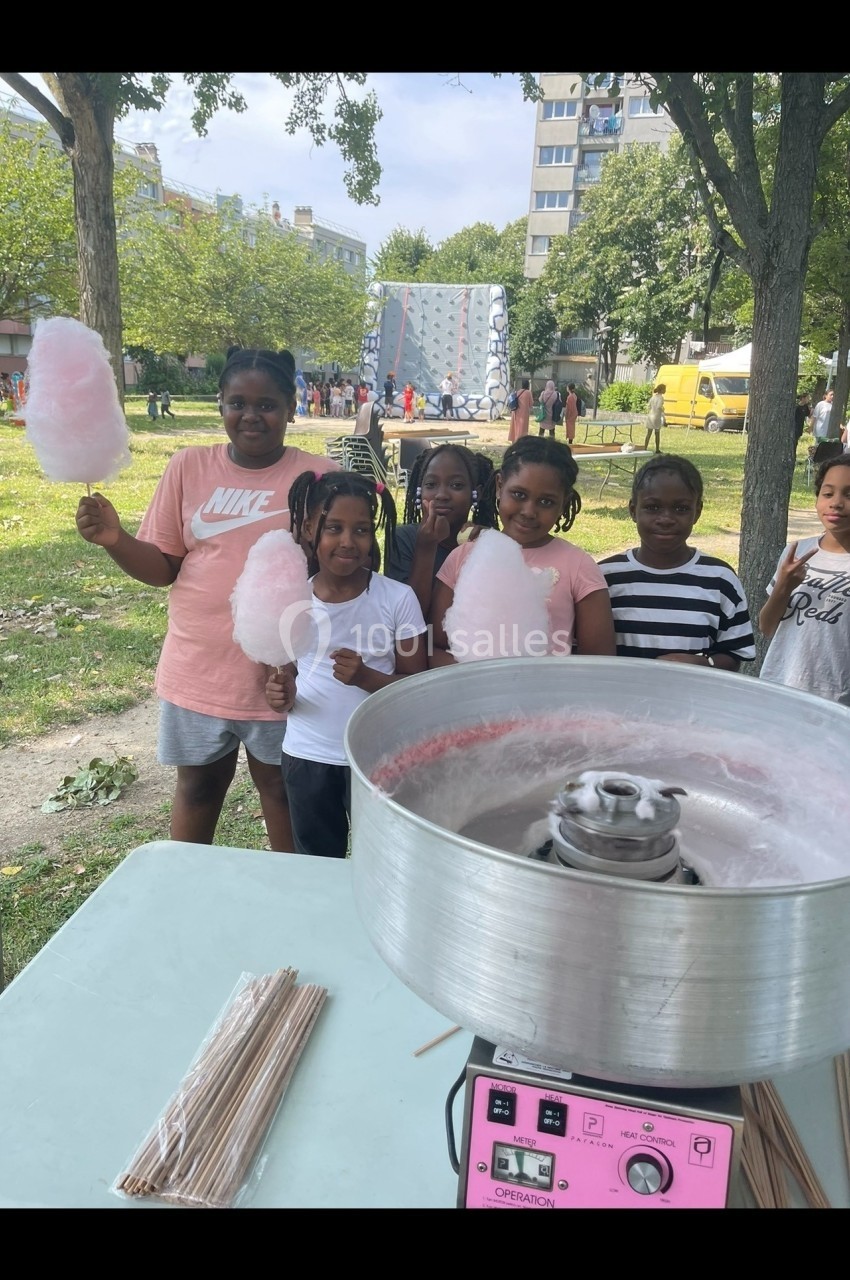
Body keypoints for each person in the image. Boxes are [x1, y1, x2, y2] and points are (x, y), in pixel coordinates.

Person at [74, 347, 340, 853]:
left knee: (281, 789)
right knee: (197, 787)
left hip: (285, 675)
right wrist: (116, 539)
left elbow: (341, 568)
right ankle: (185, 888)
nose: (251, 415)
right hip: (199, 669)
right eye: (237, 402)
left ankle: (291, 899)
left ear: (291, 406)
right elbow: (164, 567)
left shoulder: (318, 476)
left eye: (267, 404)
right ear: (220, 405)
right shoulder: (188, 466)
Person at [265, 471, 428, 858]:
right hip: (308, 756)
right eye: (334, 527)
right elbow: (284, 672)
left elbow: (416, 685)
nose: (347, 541)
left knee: (383, 861)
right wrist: (279, 692)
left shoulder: (397, 598)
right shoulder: (292, 599)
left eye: (361, 530)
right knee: (317, 863)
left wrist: (366, 677)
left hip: (377, 757)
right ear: (308, 529)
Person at [429, 436, 617, 664]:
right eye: (519, 494)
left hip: (548, 695)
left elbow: (599, 662)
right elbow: (435, 646)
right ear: (500, 486)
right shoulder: (462, 558)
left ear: (563, 503)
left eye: (546, 502)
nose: (529, 511)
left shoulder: (579, 566)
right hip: (472, 691)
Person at [598, 455, 755, 670]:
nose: (666, 519)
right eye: (652, 507)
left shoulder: (720, 579)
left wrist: (703, 662)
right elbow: (589, 653)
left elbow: (734, 654)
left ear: (697, 512)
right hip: (622, 699)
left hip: (691, 700)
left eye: (680, 509)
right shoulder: (605, 577)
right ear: (633, 510)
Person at [759, 453, 850, 705]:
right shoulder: (797, 551)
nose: (836, 503)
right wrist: (783, 587)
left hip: (835, 701)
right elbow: (766, 628)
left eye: (849, 494)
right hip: (779, 688)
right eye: (828, 493)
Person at [386, 444, 498, 617]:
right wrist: (426, 548)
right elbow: (407, 618)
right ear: (419, 490)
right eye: (431, 484)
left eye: (456, 485)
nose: (441, 495)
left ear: (477, 493)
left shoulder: (487, 543)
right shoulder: (402, 539)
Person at [508, 379, 533, 443]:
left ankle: (514, 439)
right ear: (528, 385)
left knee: (515, 427)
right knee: (522, 428)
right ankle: (520, 441)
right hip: (524, 413)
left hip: (515, 412)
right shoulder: (528, 392)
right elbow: (531, 403)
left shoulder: (517, 391)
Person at [644, 384, 666, 453]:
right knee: (657, 433)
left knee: (648, 433)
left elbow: (649, 405)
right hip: (656, 416)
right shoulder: (661, 398)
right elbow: (659, 406)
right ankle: (657, 449)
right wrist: (663, 409)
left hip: (650, 416)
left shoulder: (653, 397)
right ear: (662, 390)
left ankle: (645, 448)